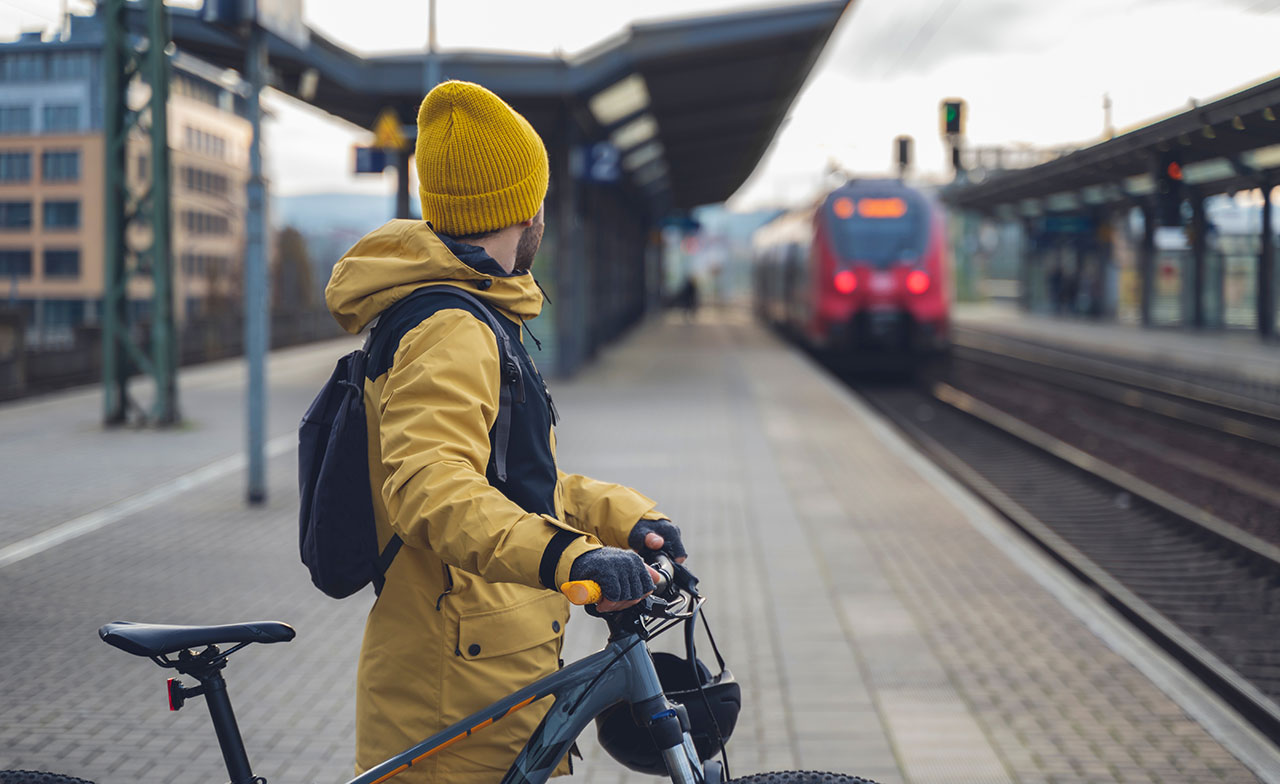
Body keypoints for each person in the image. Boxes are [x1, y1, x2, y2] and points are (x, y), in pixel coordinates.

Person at [324, 80, 685, 783]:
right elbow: (431, 490)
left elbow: (513, 485)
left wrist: (625, 518)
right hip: (454, 711)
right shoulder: (451, 329)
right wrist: (570, 559)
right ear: (524, 210)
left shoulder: (473, 315)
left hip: (488, 679)